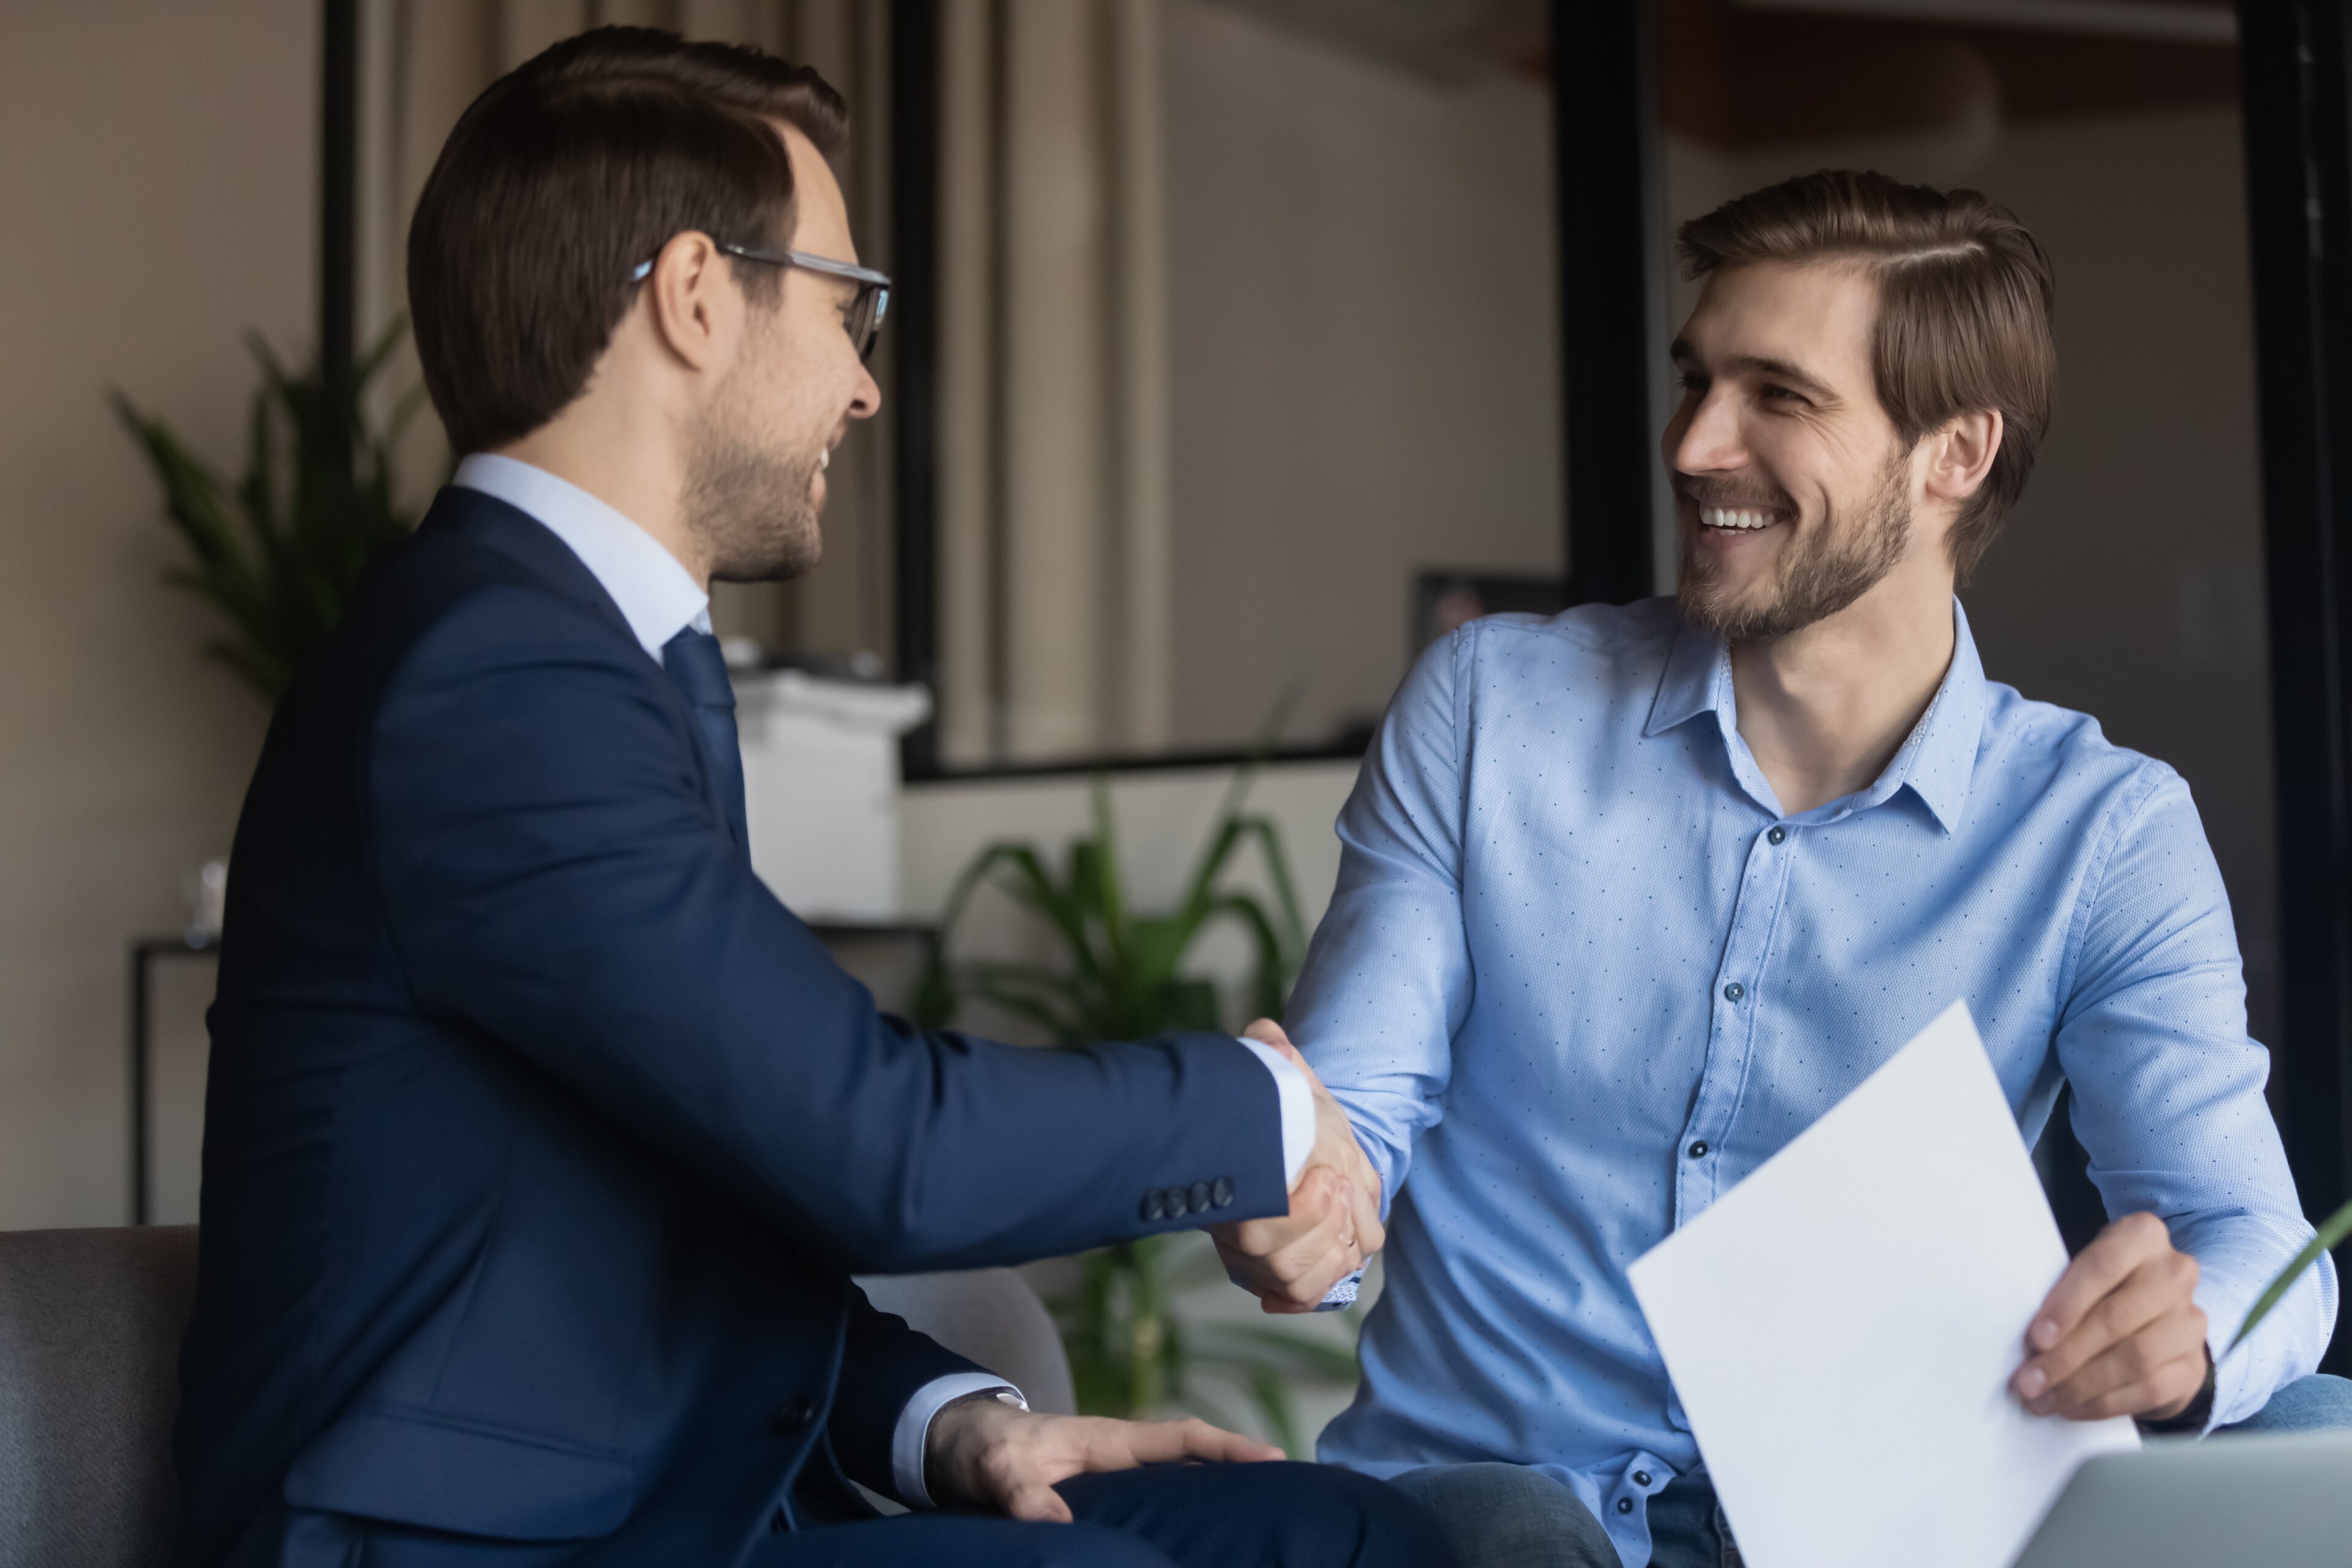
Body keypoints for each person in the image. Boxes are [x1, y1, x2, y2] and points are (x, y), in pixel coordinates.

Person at [173, 28, 1430, 1568]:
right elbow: (879, 1142)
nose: (863, 388)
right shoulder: (489, 674)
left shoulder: (592, 655)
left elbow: (693, 1190)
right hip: (466, 1544)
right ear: (698, 295)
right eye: (852, 308)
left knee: (1344, 1536)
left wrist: (951, 1421)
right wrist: (1274, 1105)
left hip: (672, 1500)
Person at [1214, 170, 2352, 1568]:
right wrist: (1311, 1202)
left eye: (1780, 395)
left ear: (1955, 453)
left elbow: (2251, 1240)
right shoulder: (1490, 707)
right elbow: (1359, 1110)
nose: (1695, 443)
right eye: (1696, 380)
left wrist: (2188, 1340)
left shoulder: (2102, 831)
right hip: (1500, 1494)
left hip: (1876, 1524)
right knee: (1501, 1532)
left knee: (2316, 1418)